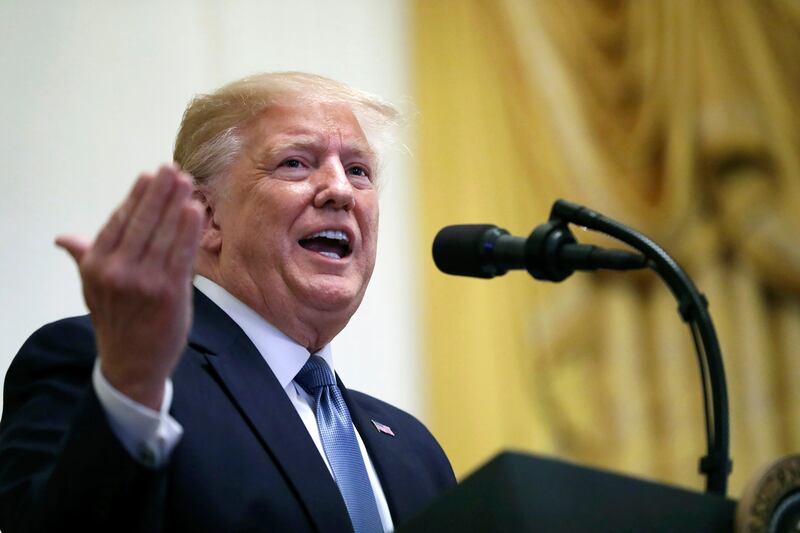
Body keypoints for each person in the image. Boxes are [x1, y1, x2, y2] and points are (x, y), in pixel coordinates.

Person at [0, 72, 456, 533]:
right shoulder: (111, 371)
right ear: (207, 218)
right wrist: (130, 389)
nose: (340, 190)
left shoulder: (414, 450)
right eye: (296, 163)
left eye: (359, 171)